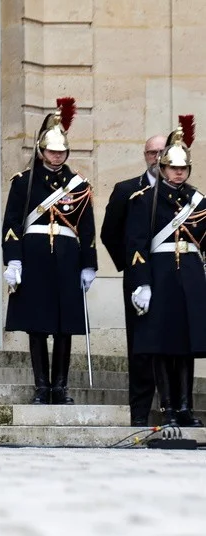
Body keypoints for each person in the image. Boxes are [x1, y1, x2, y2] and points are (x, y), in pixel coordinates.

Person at [1, 98, 96, 405]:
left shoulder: (78, 185)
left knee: (64, 327)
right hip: (35, 256)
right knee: (38, 325)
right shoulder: (24, 183)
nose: (57, 156)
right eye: (52, 151)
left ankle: (61, 387)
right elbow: (12, 224)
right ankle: (42, 387)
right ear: (41, 151)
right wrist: (13, 259)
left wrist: (88, 264)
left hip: (67, 258)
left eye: (61, 151)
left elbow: (87, 228)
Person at [124, 117, 206, 428]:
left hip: (190, 275)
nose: (178, 173)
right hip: (159, 275)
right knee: (161, 345)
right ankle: (169, 408)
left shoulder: (198, 202)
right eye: (173, 168)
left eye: (183, 169)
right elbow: (136, 245)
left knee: (186, 346)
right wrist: (142, 283)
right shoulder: (145, 200)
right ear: (163, 168)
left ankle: (185, 407)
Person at [100, 133, 165, 425]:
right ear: (145, 155)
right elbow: (110, 233)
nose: (158, 158)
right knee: (140, 347)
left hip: (171, 279)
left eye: (164, 151)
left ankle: (173, 408)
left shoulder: (187, 193)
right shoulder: (126, 189)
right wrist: (131, 267)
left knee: (173, 345)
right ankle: (139, 413)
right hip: (139, 279)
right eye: (153, 152)